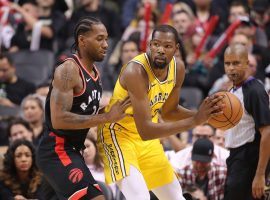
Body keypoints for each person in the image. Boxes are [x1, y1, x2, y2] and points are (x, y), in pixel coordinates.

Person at [97, 24, 223, 200]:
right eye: (156, 44)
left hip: (146, 142)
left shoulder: (178, 68)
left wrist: (204, 115)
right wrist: (195, 120)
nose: (160, 50)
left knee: (176, 197)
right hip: (117, 137)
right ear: (149, 45)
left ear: (176, 48)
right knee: (140, 197)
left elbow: (169, 112)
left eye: (167, 46)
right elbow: (146, 130)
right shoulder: (136, 71)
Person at [36, 17, 130, 200]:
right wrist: (106, 117)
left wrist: (118, 112)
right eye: (100, 39)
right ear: (82, 40)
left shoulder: (95, 73)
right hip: (56, 150)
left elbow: (87, 114)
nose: (106, 45)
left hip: (73, 150)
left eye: (107, 39)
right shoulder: (69, 70)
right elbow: (59, 119)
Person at [223, 44, 270, 200]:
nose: (231, 68)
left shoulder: (254, 90)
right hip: (236, 157)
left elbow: (267, 132)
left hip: (249, 159)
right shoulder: (232, 89)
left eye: (236, 63)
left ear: (246, 63)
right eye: (227, 63)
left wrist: (260, 174)